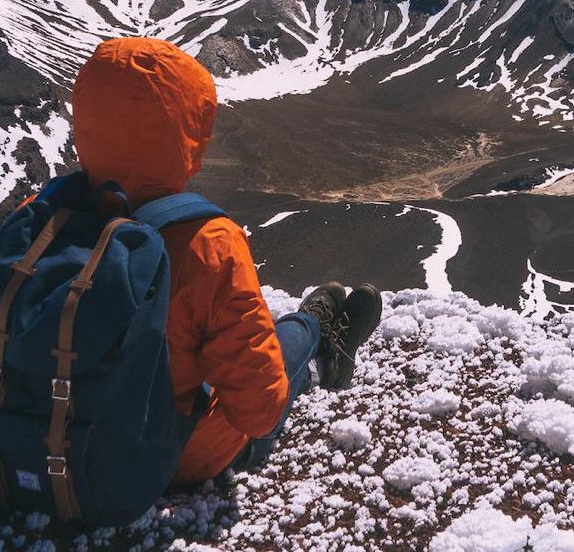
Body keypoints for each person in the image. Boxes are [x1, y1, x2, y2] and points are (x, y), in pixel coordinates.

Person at [71, 36, 382, 484]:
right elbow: (259, 409)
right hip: (165, 462)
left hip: (34, 450)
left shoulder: (36, 222)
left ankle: (311, 331)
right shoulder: (206, 243)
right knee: (276, 351)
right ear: (186, 133)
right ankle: (318, 336)